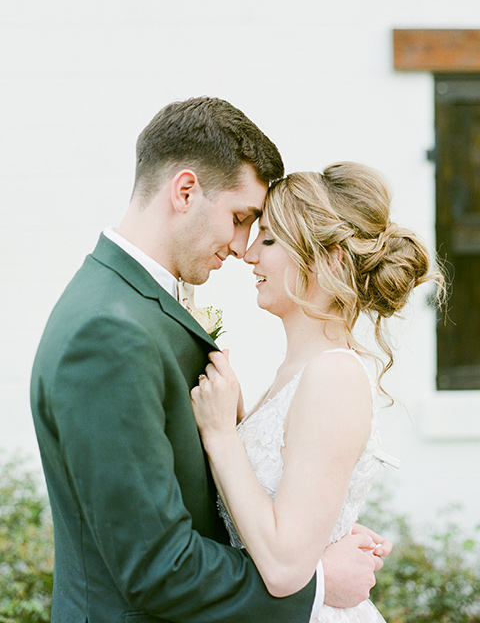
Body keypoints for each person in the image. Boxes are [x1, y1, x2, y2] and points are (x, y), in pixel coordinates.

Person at [31, 99, 389, 623]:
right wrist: (319, 585)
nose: (244, 248)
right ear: (184, 191)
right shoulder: (107, 332)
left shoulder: (136, 306)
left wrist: (321, 524)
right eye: (243, 219)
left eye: (265, 235)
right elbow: (158, 566)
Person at [192, 164, 443, 622]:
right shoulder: (296, 372)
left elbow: (286, 568)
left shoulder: (333, 376)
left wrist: (221, 436)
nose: (249, 255)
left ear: (330, 260)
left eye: (268, 240)